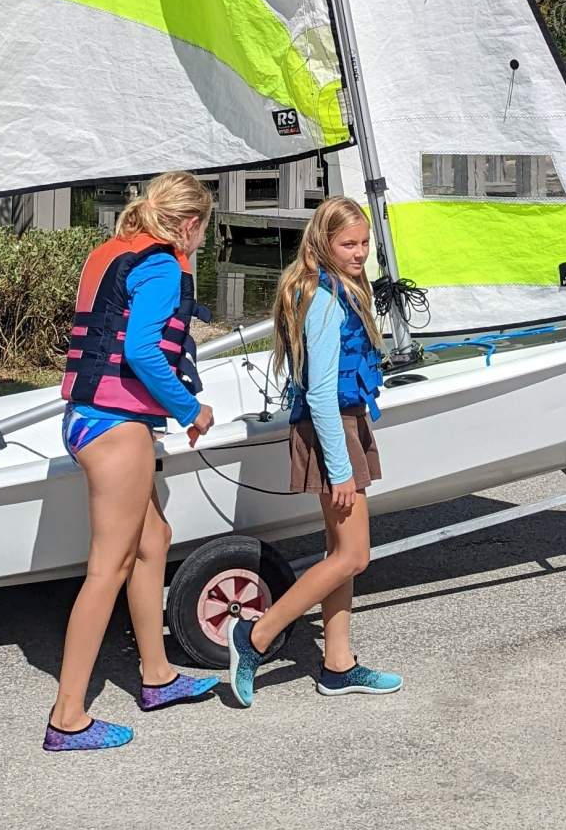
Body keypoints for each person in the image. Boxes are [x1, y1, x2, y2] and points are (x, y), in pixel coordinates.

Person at [45, 172, 220, 752]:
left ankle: (157, 675)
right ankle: (67, 716)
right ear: (190, 225)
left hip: (88, 417)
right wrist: (189, 408)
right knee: (108, 566)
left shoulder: (109, 252)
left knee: (153, 538)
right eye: (204, 231)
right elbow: (143, 350)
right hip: (116, 428)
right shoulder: (164, 265)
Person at [225, 197, 402, 705]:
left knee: (338, 554)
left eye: (365, 243)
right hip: (333, 433)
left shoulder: (338, 288)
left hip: (347, 425)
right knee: (354, 555)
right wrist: (341, 470)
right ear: (322, 243)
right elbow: (322, 395)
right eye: (348, 244)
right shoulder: (322, 299)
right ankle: (255, 636)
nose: (360, 253)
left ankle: (337, 663)